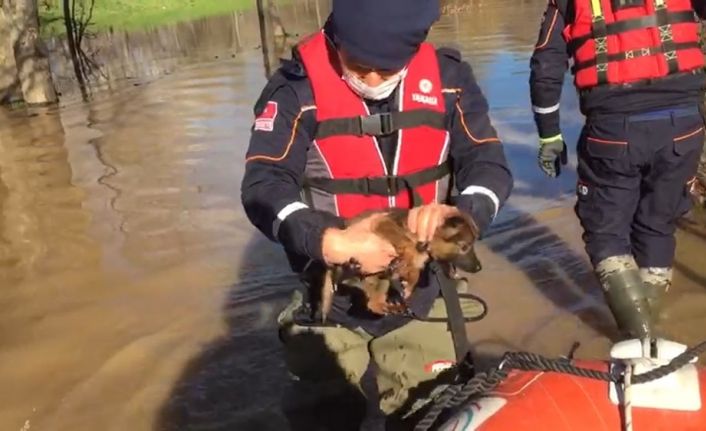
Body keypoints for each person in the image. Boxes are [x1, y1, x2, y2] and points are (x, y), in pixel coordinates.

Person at [241, 0, 513, 427]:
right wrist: (331, 241)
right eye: (357, 63)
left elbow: (488, 164)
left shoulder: (450, 79)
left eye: (386, 70)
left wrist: (464, 213)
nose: (369, 78)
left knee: (433, 410)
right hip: (331, 293)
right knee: (324, 412)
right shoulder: (296, 87)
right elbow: (263, 184)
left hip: (419, 292)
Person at [529, 0, 706, 340]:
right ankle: (652, 336)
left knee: (607, 232)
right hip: (683, 127)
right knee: (658, 225)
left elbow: (545, 66)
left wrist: (550, 133)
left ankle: (637, 334)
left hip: (613, 132)